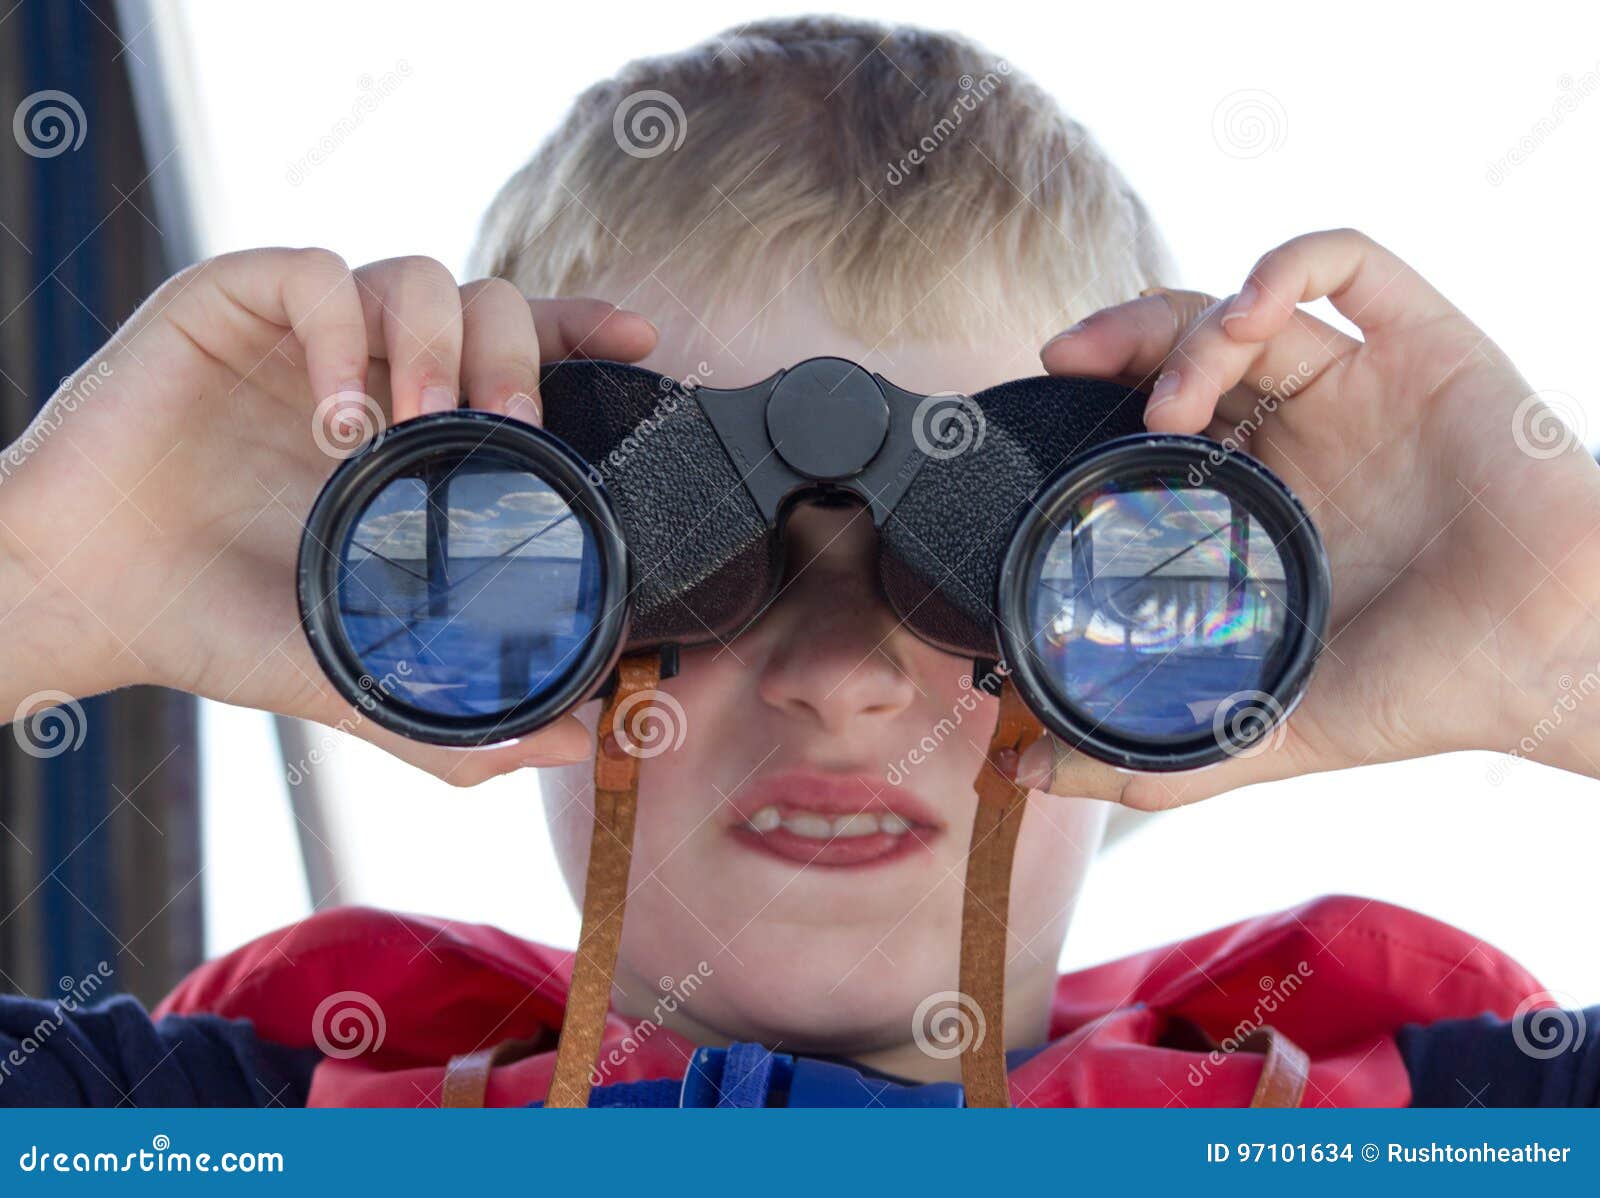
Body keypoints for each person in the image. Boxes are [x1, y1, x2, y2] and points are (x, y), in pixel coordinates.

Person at [2, 16, 1597, 1107]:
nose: (841, 680)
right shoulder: (208, 1128)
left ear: (1146, 619)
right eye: (674, 564)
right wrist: (45, 583)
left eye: (982, 569)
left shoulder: (1458, 1126)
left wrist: (1569, 641)